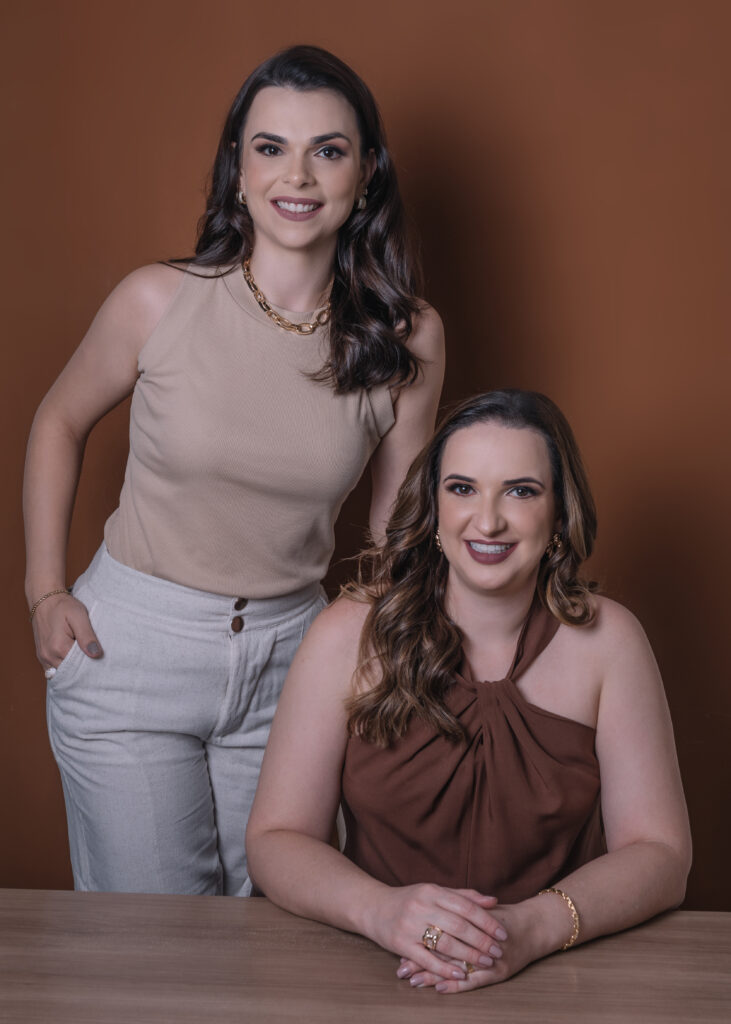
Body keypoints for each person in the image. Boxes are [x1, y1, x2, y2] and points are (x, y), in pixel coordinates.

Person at [23, 45, 444, 897]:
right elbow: (57, 422)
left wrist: (370, 644)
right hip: (132, 649)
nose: (298, 175)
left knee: (277, 937)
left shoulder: (408, 339)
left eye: (328, 150)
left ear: (366, 173)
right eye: (270, 147)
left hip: (293, 658)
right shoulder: (157, 299)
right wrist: (43, 593)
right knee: (155, 949)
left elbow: (395, 527)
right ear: (238, 170)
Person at [246, 389, 691, 992]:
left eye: (520, 491)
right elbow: (275, 840)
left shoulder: (611, 641)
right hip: (373, 967)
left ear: (559, 514)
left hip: (558, 973)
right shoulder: (347, 633)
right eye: (462, 488)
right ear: (433, 507)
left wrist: (529, 929)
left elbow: (661, 854)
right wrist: (383, 912)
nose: (488, 521)